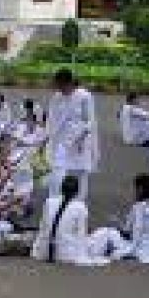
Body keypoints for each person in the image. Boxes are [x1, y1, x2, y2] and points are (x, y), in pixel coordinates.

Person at [88, 174, 149, 264]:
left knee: (107, 232)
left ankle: (90, 245)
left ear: (140, 189)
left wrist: (117, 223)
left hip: (142, 246)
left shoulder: (139, 207)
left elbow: (132, 229)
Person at [45, 69, 99, 201]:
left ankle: (77, 202)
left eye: (61, 85)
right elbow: (51, 119)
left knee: (79, 173)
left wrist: (81, 140)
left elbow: (89, 121)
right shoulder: (57, 97)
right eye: (57, 86)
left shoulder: (84, 96)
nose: (59, 89)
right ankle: (55, 200)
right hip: (60, 142)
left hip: (80, 142)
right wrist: (47, 137)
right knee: (57, 171)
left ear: (68, 83)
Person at [31, 175, 109, 266]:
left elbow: (43, 228)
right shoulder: (80, 207)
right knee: (102, 235)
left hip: (44, 252)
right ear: (77, 191)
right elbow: (80, 236)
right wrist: (82, 255)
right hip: (67, 254)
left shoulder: (49, 202)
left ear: (61, 188)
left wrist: (38, 249)